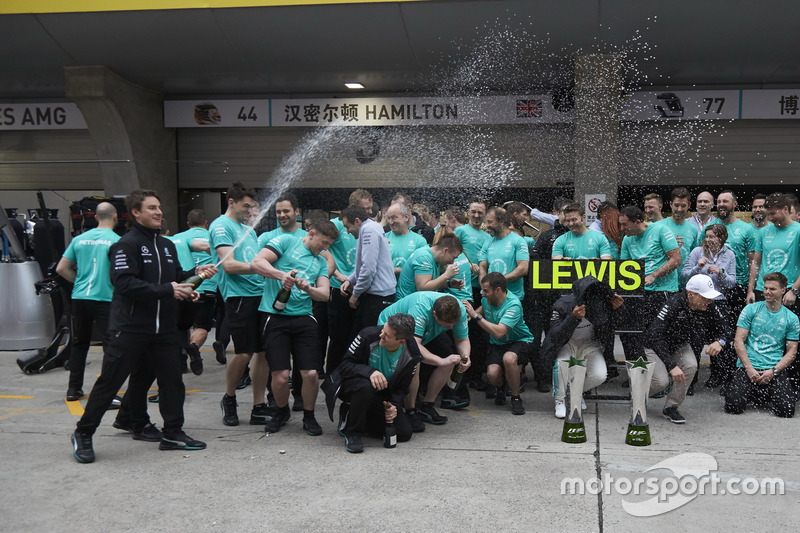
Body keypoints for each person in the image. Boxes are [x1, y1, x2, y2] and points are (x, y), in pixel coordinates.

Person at [70, 189, 217, 463]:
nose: (158, 212)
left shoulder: (166, 245)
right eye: (152, 208)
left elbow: (174, 278)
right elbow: (124, 283)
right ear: (135, 212)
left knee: (172, 382)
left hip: (165, 330)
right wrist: (169, 290)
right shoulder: (126, 245)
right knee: (110, 382)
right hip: (131, 328)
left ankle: (173, 432)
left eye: (159, 207)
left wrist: (192, 280)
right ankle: (84, 432)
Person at [250, 221, 338, 435]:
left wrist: (308, 288)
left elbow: (325, 294)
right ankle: (281, 411)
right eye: (323, 243)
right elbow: (256, 263)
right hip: (275, 317)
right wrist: (282, 276)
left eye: (328, 246)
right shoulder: (285, 241)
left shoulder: (318, 262)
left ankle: (309, 415)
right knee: (280, 376)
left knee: (309, 374)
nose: (324, 248)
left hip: (304, 318)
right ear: (311, 233)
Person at [211, 182, 271, 427]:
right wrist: (265, 269)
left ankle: (259, 405)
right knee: (244, 353)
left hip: (260, 296)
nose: (249, 210)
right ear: (231, 202)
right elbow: (229, 265)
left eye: (252, 206)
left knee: (263, 353)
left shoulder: (249, 229)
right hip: (239, 297)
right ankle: (230, 398)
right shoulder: (221, 226)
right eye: (245, 205)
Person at [643, 274, 730, 424]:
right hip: (655, 345)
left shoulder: (708, 305)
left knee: (691, 365)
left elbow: (727, 329)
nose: (709, 301)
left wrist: (719, 342)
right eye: (705, 297)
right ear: (691, 294)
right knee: (661, 381)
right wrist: (672, 365)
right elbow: (654, 336)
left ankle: (671, 407)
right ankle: (637, 397)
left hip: (679, 344)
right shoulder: (674, 304)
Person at [56, 202, 120, 402]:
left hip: (80, 297)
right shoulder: (117, 241)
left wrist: (79, 282)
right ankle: (107, 393)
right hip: (105, 298)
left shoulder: (79, 240)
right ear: (116, 217)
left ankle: (73, 389)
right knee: (110, 347)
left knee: (79, 344)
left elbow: (61, 269)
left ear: (95, 217)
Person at [333, 314, 424, 453]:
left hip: (382, 394)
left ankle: (353, 415)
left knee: (404, 433)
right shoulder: (367, 335)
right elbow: (344, 366)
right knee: (366, 385)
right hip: (355, 385)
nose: (381, 334)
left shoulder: (411, 354)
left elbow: (403, 387)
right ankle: (353, 432)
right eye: (383, 329)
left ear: (401, 341)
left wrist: (393, 405)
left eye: (387, 335)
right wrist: (369, 372)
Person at [377, 293, 471, 428]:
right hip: (392, 332)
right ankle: (411, 409)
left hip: (425, 332)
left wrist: (465, 357)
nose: (451, 327)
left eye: (453, 324)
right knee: (416, 361)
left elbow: (462, 339)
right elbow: (414, 347)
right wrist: (439, 361)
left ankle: (427, 405)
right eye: (447, 324)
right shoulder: (420, 308)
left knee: (451, 359)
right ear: (434, 314)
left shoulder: (459, 309)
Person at [540, 276, 624, 418]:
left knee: (600, 375)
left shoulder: (603, 304)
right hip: (567, 343)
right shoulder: (562, 304)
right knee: (561, 364)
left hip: (590, 344)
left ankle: (576, 392)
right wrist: (573, 318)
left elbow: (617, 327)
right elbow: (554, 336)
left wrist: (618, 310)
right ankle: (559, 399)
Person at [725, 272, 799, 418]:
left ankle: (761, 393)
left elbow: (792, 351)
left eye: (772, 289)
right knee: (733, 406)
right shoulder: (750, 310)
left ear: (783, 290)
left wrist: (773, 371)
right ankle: (754, 391)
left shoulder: (791, 318)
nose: (767, 292)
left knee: (786, 411)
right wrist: (749, 368)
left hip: (773, 369)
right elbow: (738, 340)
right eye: (765, 288)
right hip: (748, 367)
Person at [462, 272, 533, 415]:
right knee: (492, 374)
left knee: (509, 359)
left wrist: (476, 316)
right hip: (498, 344)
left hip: (520, 341)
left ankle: (515, 397)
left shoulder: (513, 304)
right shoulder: (486, 300)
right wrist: (467, 314)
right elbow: (478, 313)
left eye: (486, 290)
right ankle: (501, 387)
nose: (482, 294)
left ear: (498, 290)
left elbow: (499, 332)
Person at [618, 205, 682, 360]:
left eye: (625, 224)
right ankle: (638, 369)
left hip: (662, 290)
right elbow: (624, 267)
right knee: (631, 333)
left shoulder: (661, 231)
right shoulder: (627, 238)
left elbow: (676, 259)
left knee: (658, 333)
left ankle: (666, 369)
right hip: (639, 292)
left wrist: (654, 275)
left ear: (638, 222)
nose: (621, 228)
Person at [340, 204, 397, 334]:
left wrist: (355, 295)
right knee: (360, 337)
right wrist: (350, 279)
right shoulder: (373, 226)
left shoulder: (368, 230)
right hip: (380, 294)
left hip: (378, 296)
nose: (348, 231)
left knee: (367, 339)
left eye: (347, 226)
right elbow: (366, 266)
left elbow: (368, 268)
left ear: (357, 221)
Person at [455, 198, 491, 390]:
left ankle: (476, 375)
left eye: (480, 212)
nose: (477, 216)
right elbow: (452, 250)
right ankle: (460, 376)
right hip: (461, 288)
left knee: (479, 334)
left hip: (480, 290)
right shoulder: (460, 231)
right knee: (461, 333)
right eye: (473, 212)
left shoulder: (487, 237)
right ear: (468, 212)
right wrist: (466, 263)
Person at [747, 193, 800, 307]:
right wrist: (750, 290)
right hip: (763, 289)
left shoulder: (798, 231)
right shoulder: (764, 231)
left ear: (785, 209)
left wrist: (795, 290)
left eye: (773, 213)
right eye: (768, 214)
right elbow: (756, 262)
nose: (770, 218)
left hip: (788, 290)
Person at [478, 206, 530, 302]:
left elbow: (523, 268)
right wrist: (485, 289)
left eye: (490, 222)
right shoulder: (488, 242)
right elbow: (482, 268)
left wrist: (498, 282)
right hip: (491, 298)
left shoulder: (518, 241)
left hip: (512, 298)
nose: (486, 225)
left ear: (501, 222)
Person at [395, 234, 463, 300]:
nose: (452, 262)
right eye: (453, 258)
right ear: (445, 250)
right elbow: (423, 288)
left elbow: (431, 283)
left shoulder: (435, 259)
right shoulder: (424, 257)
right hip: (407, 304)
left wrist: (449, 283)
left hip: (416, 301)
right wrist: (446, 275)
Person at [657, 188, 698, 288]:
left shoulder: (693, 229)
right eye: (676, 205)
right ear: (671, 204)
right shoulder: (658, 226)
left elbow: (694, 256)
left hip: (686, 284)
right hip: (664, 283)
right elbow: (651, 254)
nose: (679, 209)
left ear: (689, 205)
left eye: (683, 206)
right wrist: (669, 245)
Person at [385, 202, 428, 277]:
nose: (391, 222)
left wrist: (399, 270)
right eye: (389, 218)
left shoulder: (419, 241)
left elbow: (422, 270)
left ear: (406, 217)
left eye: (394, 217)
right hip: (388, 287)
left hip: (409, 288)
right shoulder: (383, 238)